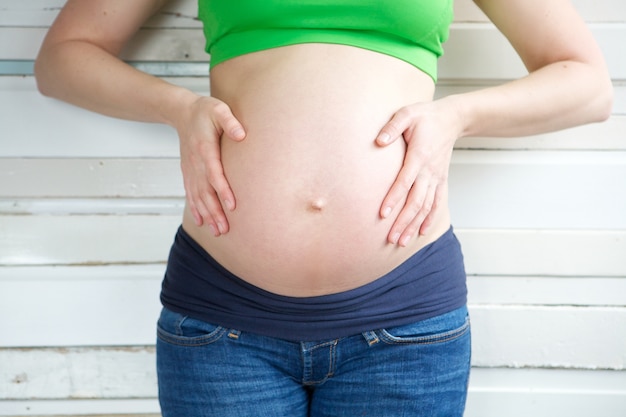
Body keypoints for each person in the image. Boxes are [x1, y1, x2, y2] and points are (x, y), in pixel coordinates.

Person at [34, 0, 612, 415]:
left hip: (403, 322)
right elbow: (63, 58)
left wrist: (456, 117)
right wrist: (179, 108)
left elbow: (587, 84)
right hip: (222, 322)